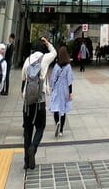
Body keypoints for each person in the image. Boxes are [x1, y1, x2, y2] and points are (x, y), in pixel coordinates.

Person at [21, 37, 56, 169]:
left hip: (27, 102)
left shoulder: (28, 60)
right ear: (43, 49)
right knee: (40, 127)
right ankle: (33, 148)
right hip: (40, 100)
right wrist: (49, 44)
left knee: (27, 131)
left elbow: (23, 78)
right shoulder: (45, 59)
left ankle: (26, 162)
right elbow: (54, 53)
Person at [49, 46, 74, 138]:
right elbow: (70, 81)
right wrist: (70, 92)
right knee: (63, 109)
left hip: (57, 88)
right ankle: (61, 131)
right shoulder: (68, 66)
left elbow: (53, 78)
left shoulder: (56, 66)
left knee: (55, 107)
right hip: (65, 90)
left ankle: (57, 123)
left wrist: (52, 88)